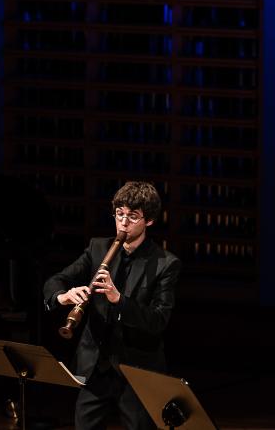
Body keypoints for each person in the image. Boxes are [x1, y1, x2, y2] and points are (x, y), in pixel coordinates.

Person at [43, 181, 181, 430]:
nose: (124, 223)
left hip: (136, 372)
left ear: (148, 221)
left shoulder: (165, 264)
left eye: (132, 217)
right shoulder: (98, 248)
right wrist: (63, 296)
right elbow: (56, 280)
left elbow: (158, 320)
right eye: (119, 214)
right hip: (95, 368)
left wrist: (120, 301)